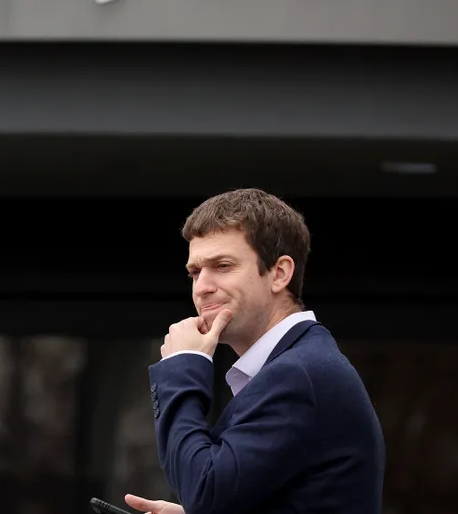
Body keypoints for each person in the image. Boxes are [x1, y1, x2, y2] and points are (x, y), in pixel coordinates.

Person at [126, 188, 384, 514]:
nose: (202, 287)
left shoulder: (297, 374)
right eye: (195, 272)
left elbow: (206, 491)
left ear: (279, 273)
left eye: (222, 266)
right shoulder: (299, 365)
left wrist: (182, 366)